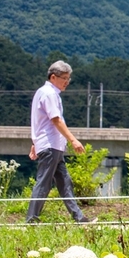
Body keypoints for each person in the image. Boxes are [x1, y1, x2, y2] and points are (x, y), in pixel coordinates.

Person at [25, 61, 96, 224]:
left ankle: (79, 218)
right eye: (64, 78)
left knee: (65, 182)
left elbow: (39, 122)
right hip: (50, 146)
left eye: (68, 79)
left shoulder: (43, 92)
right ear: (53, 77)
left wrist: (35, 142)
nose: (67, 82)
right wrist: (73, 140)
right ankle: (31, 219)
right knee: (44, 183)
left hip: (53, 145)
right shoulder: (49, 94)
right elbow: (55, 120)